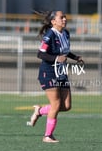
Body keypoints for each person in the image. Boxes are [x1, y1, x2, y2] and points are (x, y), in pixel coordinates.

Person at [27, 10, 83, 143]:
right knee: (56, 104)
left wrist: (75, 57)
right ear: (53, 21)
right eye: (61, 17)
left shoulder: (66, 33)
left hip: (61, 73)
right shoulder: (50, 34)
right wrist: (57, 58)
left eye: (65, 17)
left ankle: (40, 111)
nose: (64, 19)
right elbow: (40, 54)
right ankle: (47, 136)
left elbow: (64, 51)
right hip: (48, 73)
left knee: (67, 106)